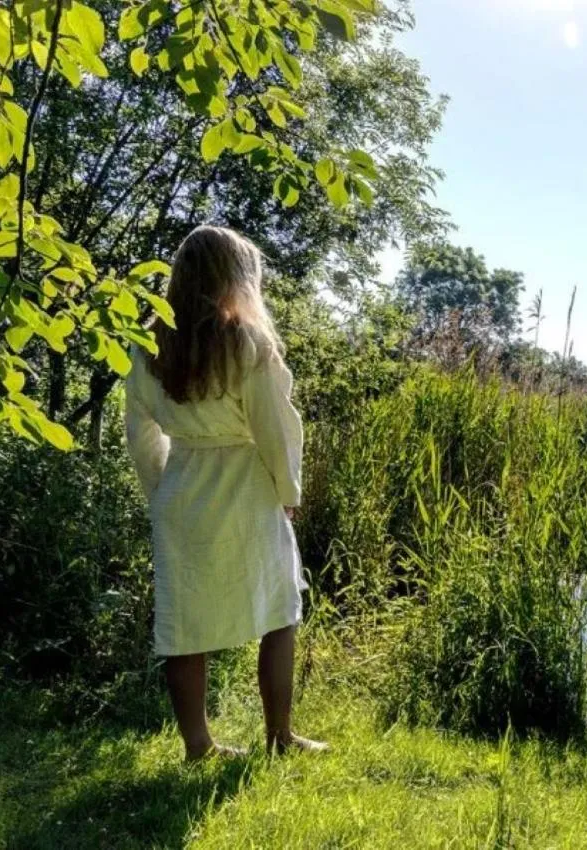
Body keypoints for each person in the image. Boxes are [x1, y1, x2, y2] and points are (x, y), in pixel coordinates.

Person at [125, 225, 326, 761]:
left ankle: (199, 745)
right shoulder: (248, 344)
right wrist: (289, 491)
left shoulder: (147, 347)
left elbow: (140, 436)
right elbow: (276, 429)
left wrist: (162, 490)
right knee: (280, 611)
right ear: (234, 278)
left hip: (182, 489)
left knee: (183, 622)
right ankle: (279, 737)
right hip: (246, 489)